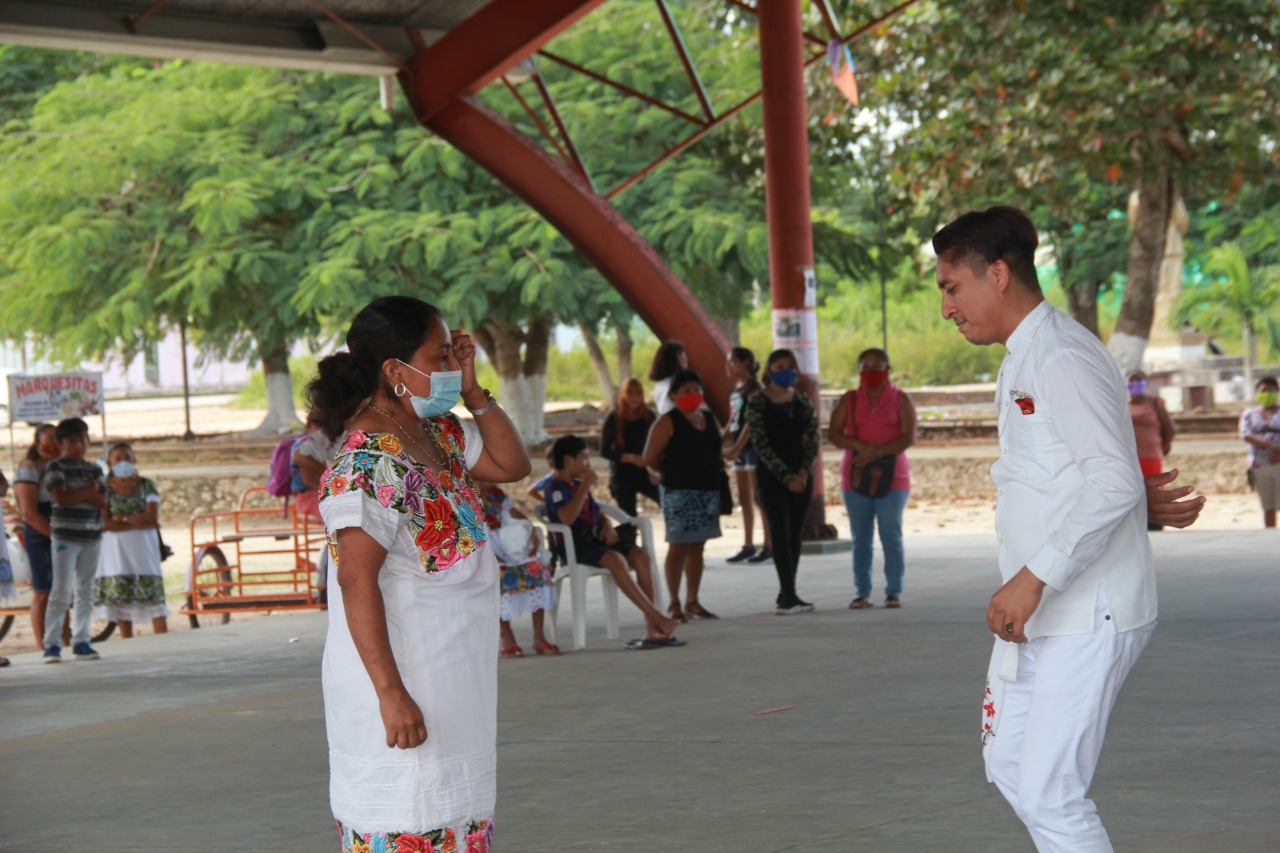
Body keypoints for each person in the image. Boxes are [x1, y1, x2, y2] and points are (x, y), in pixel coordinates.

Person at [935, 205, 1157, 851]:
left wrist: (1032, 579)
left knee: (1050, 793)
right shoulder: (1021, 358)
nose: (947, 307)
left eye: (952, 287)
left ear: (997, 274)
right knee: (1007, 763)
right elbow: (1083, 472)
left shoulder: (1060, 355)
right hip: (1041, 609)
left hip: (1087, 609)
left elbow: (1113, 478)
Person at [309, 295, 531, 852]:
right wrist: (390, 693)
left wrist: (475, 392)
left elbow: (511, 465)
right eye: (441, 357)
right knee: (410, 814)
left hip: (453, 678)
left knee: (456, 819)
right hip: (403, 679)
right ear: (394, 370)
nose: (453, 368)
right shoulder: (365, 461)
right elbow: (356, 581)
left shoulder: (438, 435)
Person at [545, 435, 681, 648]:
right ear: (569, 460)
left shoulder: (580, 485)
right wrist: (585, 488)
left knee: (641, 556)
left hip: (598, 540)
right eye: (585, 458)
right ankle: (657, 618)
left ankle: (653, 629)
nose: (588, 464)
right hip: (577, 547)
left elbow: (597, 512)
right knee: (616, 559)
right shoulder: (555, 488)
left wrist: (607, 525)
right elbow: (567, 518)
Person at [829, 348, 917, 609]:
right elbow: (834, 433)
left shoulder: (902, 399)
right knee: (861, 537)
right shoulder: (849, 400)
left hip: (894, 476)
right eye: (866, 367)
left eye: (877, 367)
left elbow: (907, 437)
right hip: (856, 476)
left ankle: (893, 591)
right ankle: (863, 591)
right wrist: (860, 446)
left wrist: (874, 452)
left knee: (891, 533)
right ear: (859, 372)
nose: (872, 372)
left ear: (888, 370)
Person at [642, 368, 723, 622]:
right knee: (678, 545)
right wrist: (671, 472)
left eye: (696, 390)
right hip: (678, 492)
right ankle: (674, 602)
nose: (692, 395)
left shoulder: (709, 419)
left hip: (707, 490)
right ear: (675, 395)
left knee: (698, 546)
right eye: (686, 391)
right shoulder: (667, 421)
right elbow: (649, 457)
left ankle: (693, 601)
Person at [744, 349, 819, 615]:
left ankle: (788, 592)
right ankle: (788, 595)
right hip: (772, 477)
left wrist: (803, 472)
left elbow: (813, 436)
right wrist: (787, 477)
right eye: (778, 366)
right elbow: (760, 444)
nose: (784, 370)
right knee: (780, 532)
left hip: (801, 474)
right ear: (767, 371)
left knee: (795, 534)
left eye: (789, 366)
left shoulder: (801, 399)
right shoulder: (757, 402)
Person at [42, 417, 108, 663]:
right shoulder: (55, 468)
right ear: (60, 444)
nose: (78, 446)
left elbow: (103, 502)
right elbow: (61, 498)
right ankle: (52, 645)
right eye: (72, 441)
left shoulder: (95, 469)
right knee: (61, 590)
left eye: (82, 440)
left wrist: (82, 494)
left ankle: (82, 640)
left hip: (92, 536)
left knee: (85, 590)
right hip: (65, 537)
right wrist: (90, 492)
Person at [94, 442, 168, 638]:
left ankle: (163, 639)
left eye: (127, 458)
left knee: (152, 596)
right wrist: (137, 521)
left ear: (135, 460)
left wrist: (123, 519)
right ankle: (128, 640)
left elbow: (152, 518)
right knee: (121, 598)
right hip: (114, 551)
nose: (123, 462)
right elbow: (104, 523)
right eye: (118, 459)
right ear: (110, 463)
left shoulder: (146, 485)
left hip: (144, 550)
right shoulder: (104, 488)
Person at [478, 481, 559, 658]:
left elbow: (520, 517)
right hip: (483, 549)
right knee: (497, 574)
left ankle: (539, 637)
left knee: (537, 571)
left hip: (507, 547)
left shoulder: (497, 496)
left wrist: (532, 534)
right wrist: (489, 553)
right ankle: (507, 637)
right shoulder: (464, 496)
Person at [722, 347, 772, 564]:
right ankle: (748, 544)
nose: (729, 365)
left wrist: (736, 447)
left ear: (745, 362)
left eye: (732, 361)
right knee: (744, 498)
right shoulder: (736, 388)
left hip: (753, 448)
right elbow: (734, 419)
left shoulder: (754, 390)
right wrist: (723, 438)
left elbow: (752, 422)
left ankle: (769, 545)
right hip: (739, 449)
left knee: (759, 497)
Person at [14, 423, 60, 650]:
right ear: (37, 443)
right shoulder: (28, 468)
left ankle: (64, 641)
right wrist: (55, 536)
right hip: (40, 534)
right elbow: (29, 513)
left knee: (62, 592)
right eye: (48, 439)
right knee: (43, 591)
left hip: (62, 530)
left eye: (57, 438)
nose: (53, 444)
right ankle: (43, 645)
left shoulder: (64, 466)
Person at [599, 378, 660, 549]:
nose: (634, 398)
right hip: (622, 475)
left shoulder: (649, 416)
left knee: (665, 499)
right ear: (623, 396)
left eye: (638, 394)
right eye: (630, 394)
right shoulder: (615, 417)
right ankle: (631, 552)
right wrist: (631, 458)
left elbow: (660, 445)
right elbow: (604, 450)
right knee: (628, 519)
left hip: (644, 473)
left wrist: (656, 469)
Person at [1127, 370, 1176, 531]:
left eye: (1138, 381)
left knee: (1153, 488)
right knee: (1133, 489)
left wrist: (1163, 447)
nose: (1134, 385)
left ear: (1145, 384)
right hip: (1131, 458)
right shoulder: (1123, 405)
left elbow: (1168, 428)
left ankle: (1154, 522)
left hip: (1152, 457)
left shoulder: (1154, 403)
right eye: (1131, 381)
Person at [1240, 375, 1280, 528]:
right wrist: (1272, 446)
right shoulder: (1249, 414)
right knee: (1268, 505)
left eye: (1271, 391)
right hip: (1260, 465)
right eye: (1264, 390)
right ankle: (1270, 535)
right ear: (1257, 392)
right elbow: (1246, 434)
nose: (1267, 394)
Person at [648, 340, 688, 416]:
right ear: (673, 359)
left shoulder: (661, 383)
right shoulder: (676, 382)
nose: (686, 358)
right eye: (682, 355)